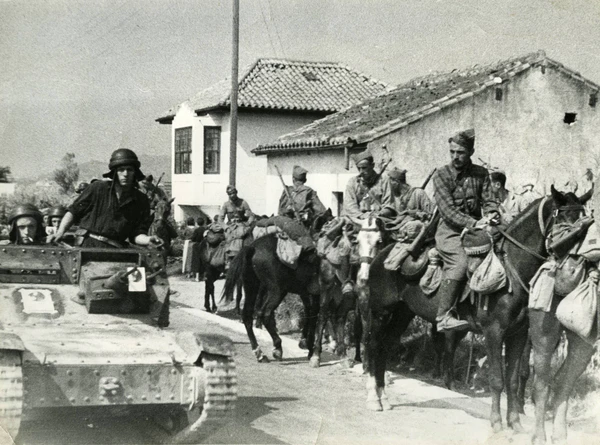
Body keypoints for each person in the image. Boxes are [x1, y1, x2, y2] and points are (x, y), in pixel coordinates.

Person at [432, 129, 499, 331]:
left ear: (471, 152)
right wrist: (473, 223)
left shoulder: (481, 173)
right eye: (452, 152)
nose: (455, 156)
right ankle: (444, 316)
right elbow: (448, 212)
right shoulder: (441, 175)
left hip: (477, 229)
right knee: (460, 263)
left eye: (460, 152)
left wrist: (492, 214)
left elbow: (489, 200)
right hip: (450, 231)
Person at [49, 148, 163, 248]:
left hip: (115, 252)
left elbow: (136, 234)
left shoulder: (141, 200)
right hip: (87, 246)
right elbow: (73, 212)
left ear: (135, 172)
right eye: (121, 169)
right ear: (114, 172)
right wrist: (60, 233)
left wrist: (148, 240)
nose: (125, 174)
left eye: (129, 169)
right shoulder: (97, 188)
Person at [339, 148, 394, 297]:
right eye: (359, 168)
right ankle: (348, 280)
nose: (361, 171)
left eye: (365, 168)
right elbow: (350, 206)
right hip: (357, 222)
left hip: (379, 221)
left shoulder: (384, 181)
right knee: (345, 245)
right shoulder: (353, 183)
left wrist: (377, 216)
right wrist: (363, 218)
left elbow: (389, 205)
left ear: (372, 165)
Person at [218, 185, 255, 267]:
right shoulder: (226, 205)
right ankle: (228, 259)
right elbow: (220, 219)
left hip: (241, 224)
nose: (232, 195)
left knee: (242, 235)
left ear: (236, 193)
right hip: (230, 226)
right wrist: (226, 228)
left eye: (233, 193)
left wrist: (248, 224)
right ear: (228, 195)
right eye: (230, 194)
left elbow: (251, 215)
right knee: (227, 238)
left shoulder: (243, 202)